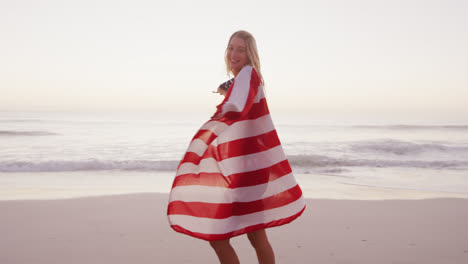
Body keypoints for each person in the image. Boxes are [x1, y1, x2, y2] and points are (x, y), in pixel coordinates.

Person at [167, 30, 306, 264]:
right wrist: (227, 95)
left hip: (246, 173)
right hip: (249, 170)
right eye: (231, 48)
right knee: (256, 234)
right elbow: (242, 110)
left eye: (240, 49)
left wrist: (222, 112)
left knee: (219, 237)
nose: (234, 53)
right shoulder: (247, 78)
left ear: (249, 54)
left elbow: (236, 105)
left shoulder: (249, 74)